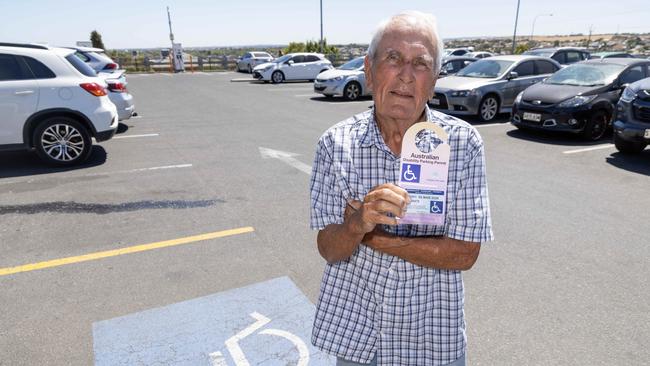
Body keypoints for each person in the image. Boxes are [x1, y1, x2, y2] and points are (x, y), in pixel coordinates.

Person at [309, 11, 494, 366]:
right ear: (369, 69)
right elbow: (329, 249)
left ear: (435, 79)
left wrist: (374, 237)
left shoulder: (463, 143)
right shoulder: (334, 145)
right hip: (357, 340)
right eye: (393, 59)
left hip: (430, 341)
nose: (406, 75)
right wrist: (353, 225)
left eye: (421, 64)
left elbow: (465, 254)